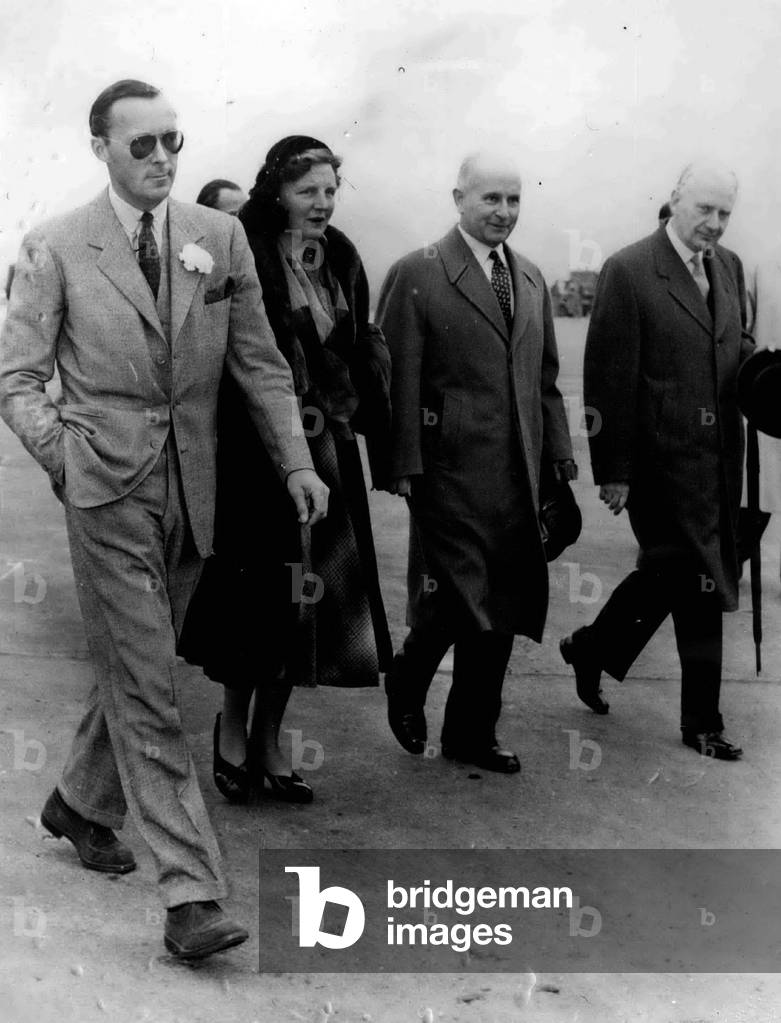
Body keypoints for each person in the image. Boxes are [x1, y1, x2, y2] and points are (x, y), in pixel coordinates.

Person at [0, 79, 328, 959]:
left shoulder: (217, 240)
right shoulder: (57, 246)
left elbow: (259, 364)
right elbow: (16, 378)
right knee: (149, 683)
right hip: (105, 492)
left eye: (172, 143)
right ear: (100, 146)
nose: (160, 160)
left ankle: (76, 799)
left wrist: (295, 460)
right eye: (140, 144)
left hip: (195, 493)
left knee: (139, 658)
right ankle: (190, 894)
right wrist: (67, 461)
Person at [178, 135, 393, 803]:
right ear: (276, 190)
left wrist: (366, 408)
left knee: (310, 610)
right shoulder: (242, 243)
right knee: (258, 604)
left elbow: (358, 342)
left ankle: (272, 740)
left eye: (330, 190)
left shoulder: (344, 256)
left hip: (326, 449)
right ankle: (232, 732)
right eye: (309, 191)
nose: (323, 203)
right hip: (258, 454)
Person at [375, 152, 574, 774]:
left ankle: (471, 733)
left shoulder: (534, 278)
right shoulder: (418, 273)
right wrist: (400, 462)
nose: (504, 213)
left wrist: (560, 463)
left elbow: (544, 382)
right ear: (458, 198)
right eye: (491, 199)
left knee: (504, 602)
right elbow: (395, 377)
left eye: (514, 201)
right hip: (448, 469)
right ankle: (408, 675)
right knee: (465, 594)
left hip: (519, 473)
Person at [560, 160, 753, 760]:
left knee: (668, 579)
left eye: (725, 213)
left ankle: (591, 648)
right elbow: (608, 377)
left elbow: (735, 347)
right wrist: (613, 470)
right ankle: (703, 722)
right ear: (675, 201)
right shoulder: (630, 269)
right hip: (658, 466)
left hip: (718, 463)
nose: (715, 224)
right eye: (705, 210)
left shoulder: (729, 266)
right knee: (698, 584)